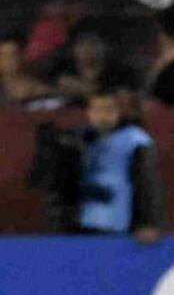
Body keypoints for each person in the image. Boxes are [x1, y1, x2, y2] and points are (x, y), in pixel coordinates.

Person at [30, 90, 163, 243]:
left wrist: (149, 222)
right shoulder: (77, 140)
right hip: (80, 223)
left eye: (109, 109)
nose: (103, 116)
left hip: (118, 223)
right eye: (97, 109)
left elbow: (148, 184)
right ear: (89, 112)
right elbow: (56, 183)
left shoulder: (135, 141)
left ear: (119, 112)